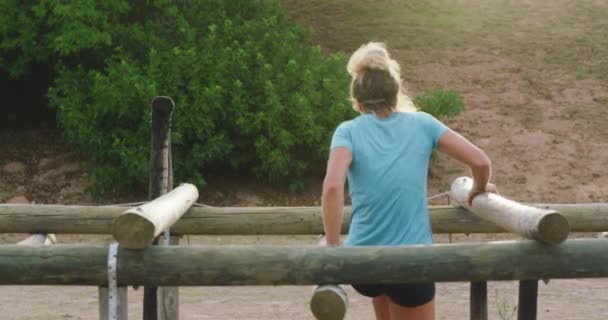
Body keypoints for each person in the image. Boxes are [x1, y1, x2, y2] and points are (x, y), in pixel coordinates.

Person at [321, 42, 496, 320]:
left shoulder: (348, 131)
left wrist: (331, 247)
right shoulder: (423, 123)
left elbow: (332, 188)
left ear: (358, 99)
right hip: (411, 262)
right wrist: (477, 188)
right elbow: (481, 161)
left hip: (362, 263)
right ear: (395, 92)